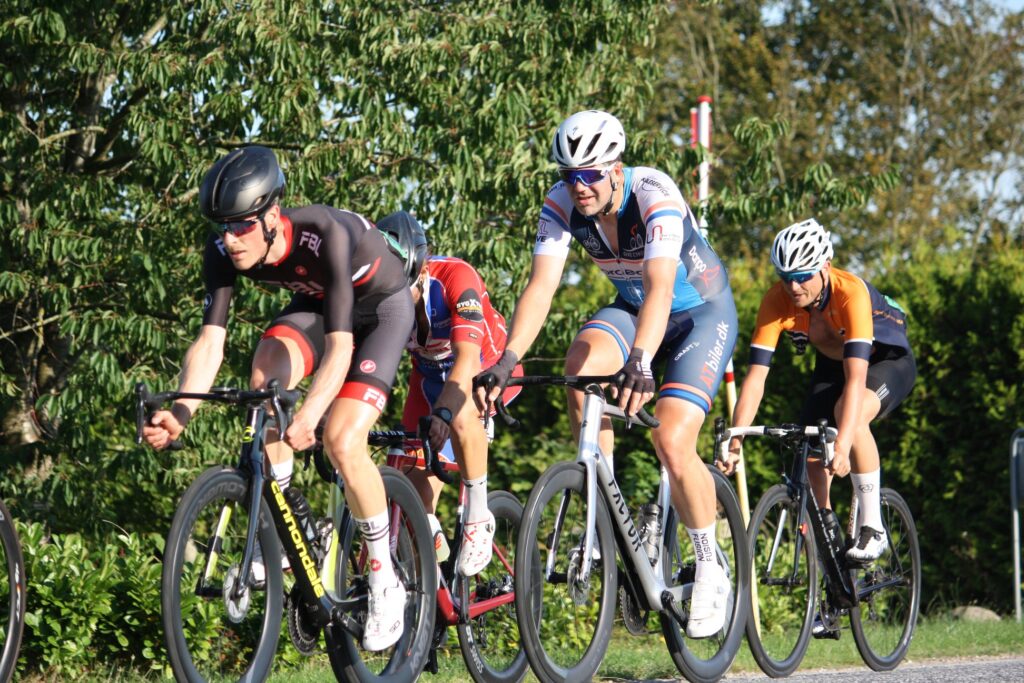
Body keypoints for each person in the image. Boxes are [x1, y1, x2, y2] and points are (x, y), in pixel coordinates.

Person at [473, 110, 739, 638]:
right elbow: (541, 288)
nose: (580, 186)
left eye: (590, 174)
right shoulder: (560, 204)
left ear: (616, 168)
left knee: (671, 436)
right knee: (581, 367)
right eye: (570, 175)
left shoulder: (654, 194)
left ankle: (711, 566)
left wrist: (640, 361)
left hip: (700, 314)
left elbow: (661, 286)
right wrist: (505, 358)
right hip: (636, 309)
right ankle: (603, 512)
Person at [141, 145, 416, 651]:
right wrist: (181, 412)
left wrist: (310, 414)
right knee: (265, 372)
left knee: (341, 440)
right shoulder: (223, 250)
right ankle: (291, 527)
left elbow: (341, 348)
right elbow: (210, 343)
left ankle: (384, 577)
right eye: (222, 226)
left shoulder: (324, 234)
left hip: (381, 310)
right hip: (318, 306)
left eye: (241, 225)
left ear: (272, 216)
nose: (229, 238)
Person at [719, 218, 916, 567]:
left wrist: (843, 445)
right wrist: (736, 441)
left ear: (825, 266)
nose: (793, 287)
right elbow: (756, 378)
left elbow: (855, 379)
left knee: (850, 415)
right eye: (785, 277)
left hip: (884, 361)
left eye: (802, 276)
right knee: (809, 451)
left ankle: (873, 526)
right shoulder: (776, 300)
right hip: (831, 364)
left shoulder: (850, 293)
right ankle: (828, 547)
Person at [379, 214, 523, 576]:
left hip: (483, 368)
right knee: (413, 494)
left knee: (459, 415)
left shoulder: (456, 279)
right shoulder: (376, 294)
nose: (396, 307)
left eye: (404, 295)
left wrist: (444, 413)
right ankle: (437, 573)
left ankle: (478, 517)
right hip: (428, 375)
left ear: (422, 272)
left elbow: (467, 361)